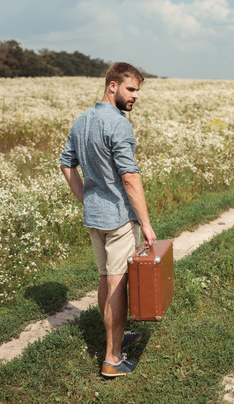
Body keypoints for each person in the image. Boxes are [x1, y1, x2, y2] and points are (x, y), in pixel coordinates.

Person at [60, 62, 156, 377]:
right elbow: (129, 177)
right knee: (117, 285)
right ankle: (113, 359)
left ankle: (115, 337)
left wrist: (86, 198)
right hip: (117, 219)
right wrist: (145, 222)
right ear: (112, 85)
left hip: (95, 218)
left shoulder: (81, 121)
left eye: (138, 91)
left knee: (106, 279)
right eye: (131, 89)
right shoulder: (118, 124)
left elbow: (65, 165)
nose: (135, 96)